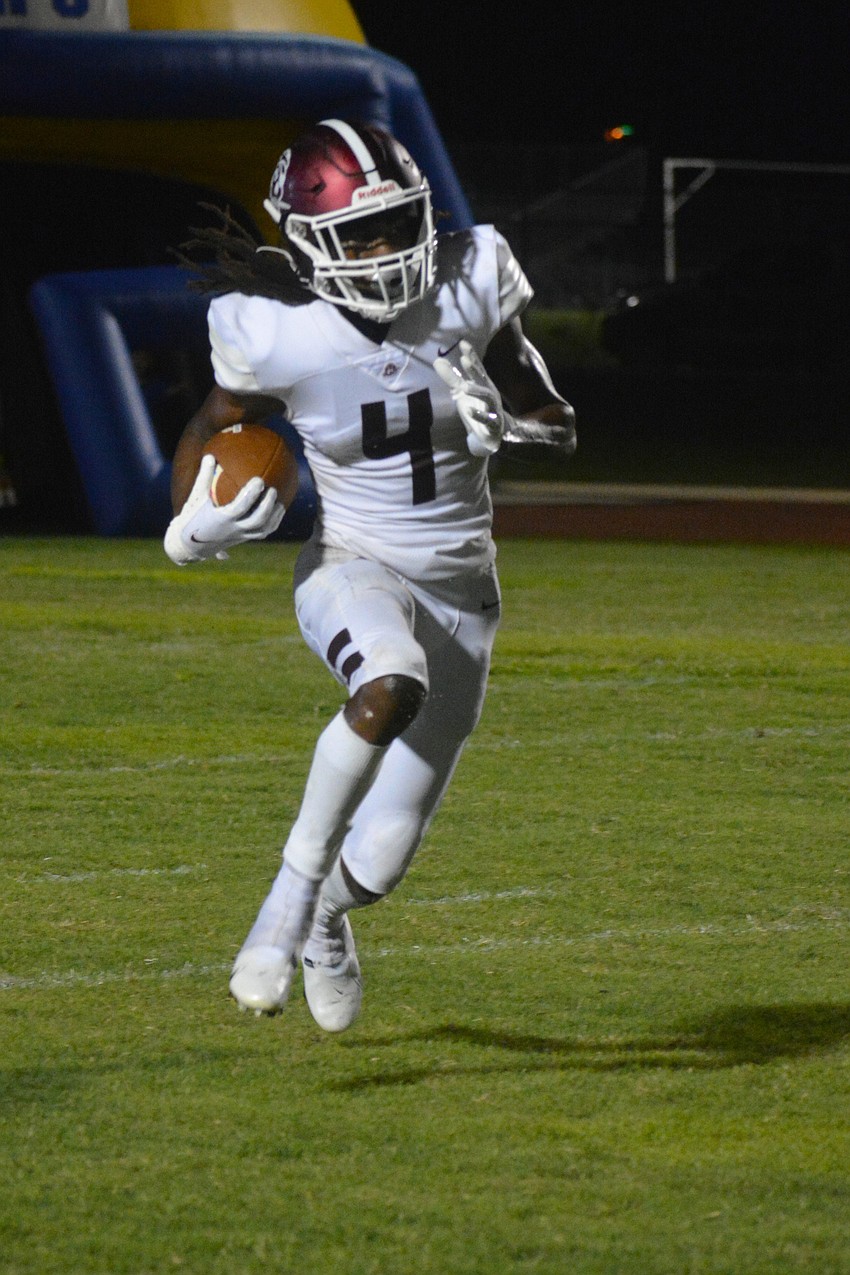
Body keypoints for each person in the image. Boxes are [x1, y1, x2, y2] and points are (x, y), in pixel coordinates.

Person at [165, 118, 576, 1031]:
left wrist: (505, 423)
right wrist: (183, 526)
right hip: (354, 562)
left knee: (385, 857)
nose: (387, 251)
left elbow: (558, 415)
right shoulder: (279, 334)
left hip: (465, 591)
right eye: (362, 233)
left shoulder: (470, 280)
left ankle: (324, 921)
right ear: (311, 242)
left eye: (399, 224)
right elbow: (208, 425)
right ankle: (283, 905)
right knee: (390, 683)